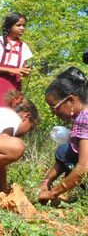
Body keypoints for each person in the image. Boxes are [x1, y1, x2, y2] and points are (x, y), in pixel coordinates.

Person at [39, 67, 88, 203]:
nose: (53, 113)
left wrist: (53, 193)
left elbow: (84, 166)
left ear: (71, 100)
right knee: (65, 150)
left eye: (54, 107)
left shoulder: (84, 118)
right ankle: (47, 183)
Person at [0, 12, 32, 107]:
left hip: (13, 88)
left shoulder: (23, 47)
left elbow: (23, 70)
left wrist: (26, 72)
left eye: (24, 26)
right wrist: (11, 70)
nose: (22, 28)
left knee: (9, 116)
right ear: (9, 26)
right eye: (18, 25)